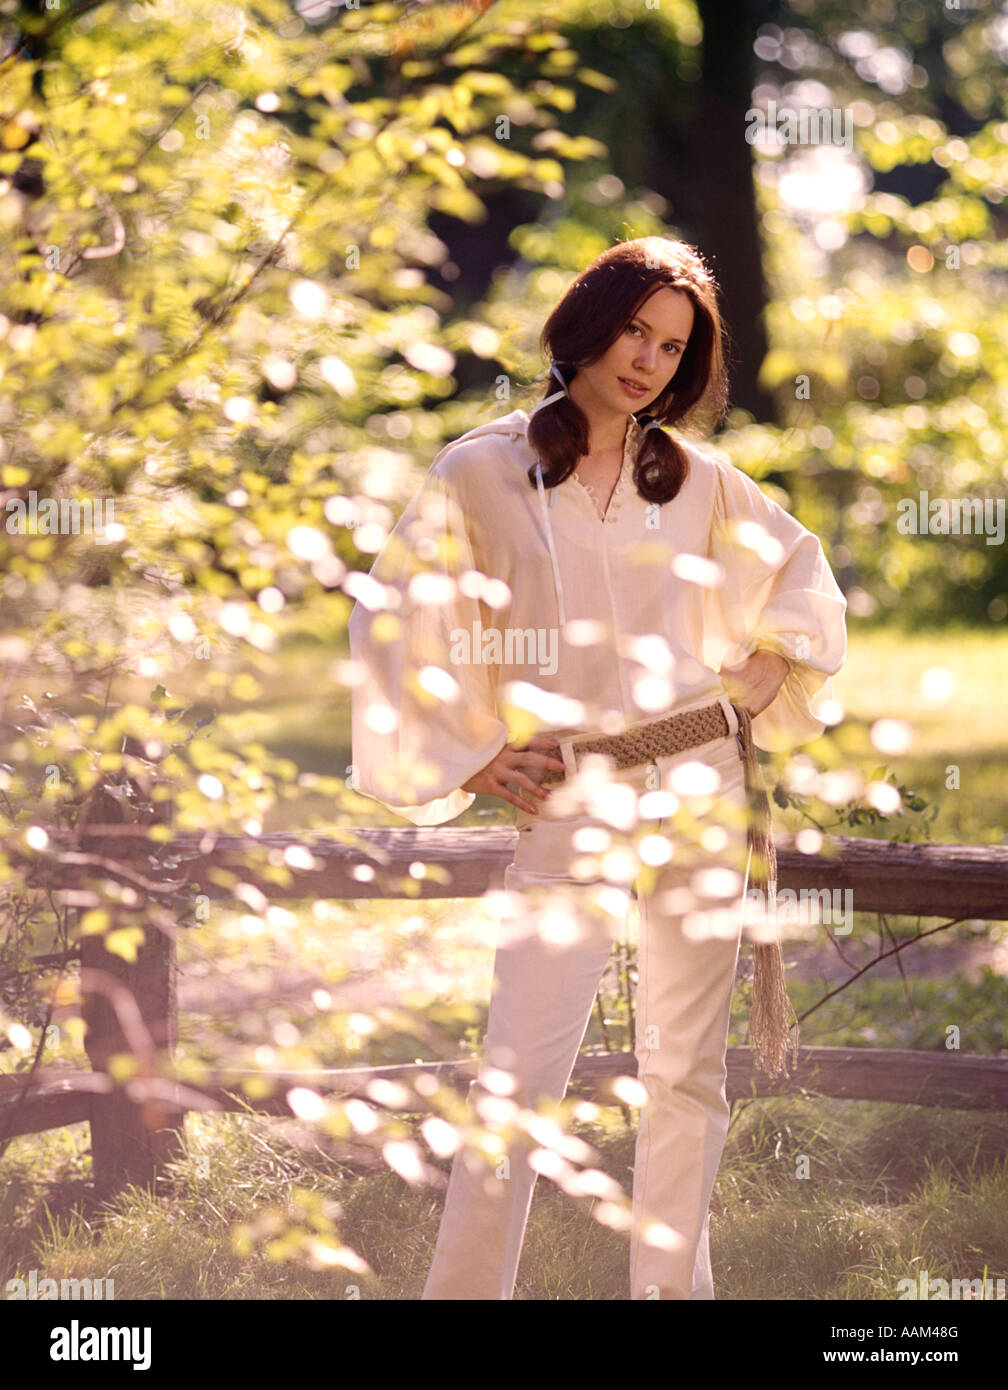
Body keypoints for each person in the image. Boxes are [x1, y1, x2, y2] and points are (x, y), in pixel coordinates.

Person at [346, 236, 847, 1299]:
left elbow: (805, 574)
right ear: (591, 321)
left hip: (700, 786)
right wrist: (478, 753)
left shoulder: (695, 478)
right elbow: (392, 617)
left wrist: (759, 676)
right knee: (518, 1082)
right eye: (634, 331)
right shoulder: (484, 469)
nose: (648, 362)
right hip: (570, 798)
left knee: (686, 1077)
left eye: (672, 347)